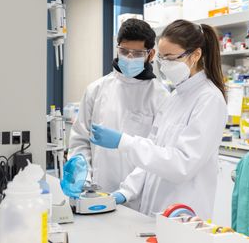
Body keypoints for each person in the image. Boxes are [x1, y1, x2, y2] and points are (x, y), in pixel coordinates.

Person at [90, 19, 227, 219]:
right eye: (161, 59)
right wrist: (125, 191)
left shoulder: (209, 99)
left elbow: (183, 165)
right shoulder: (175, 97)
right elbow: (153, 151)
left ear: (195, 55)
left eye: (170, 58)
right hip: (157, 210)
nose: (164, 66)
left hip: (184, 213)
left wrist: (125, 142)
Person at [68, 18, 169, 210]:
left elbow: (156, 153)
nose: (129, 58)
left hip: (139, 198)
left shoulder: (161, 96)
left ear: (151, 54)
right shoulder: (96, 90)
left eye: (137, 53)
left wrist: (126, 192)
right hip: (96, 192)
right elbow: (80, 140)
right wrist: (83, 177)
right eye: (124, 51)